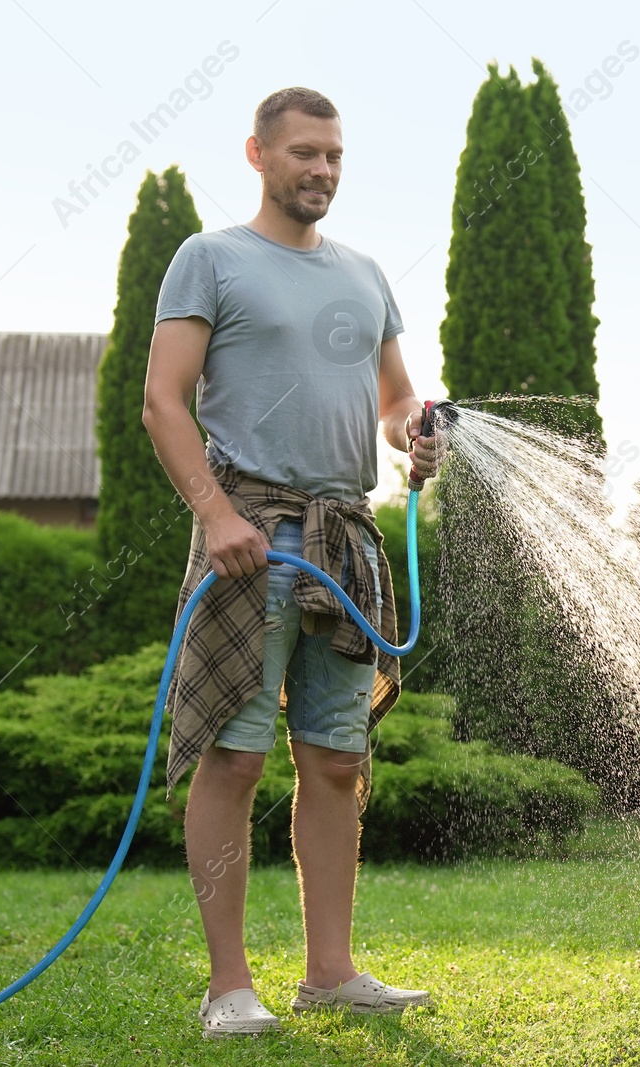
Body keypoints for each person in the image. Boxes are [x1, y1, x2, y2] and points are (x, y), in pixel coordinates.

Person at [141, 86, 447, 1037]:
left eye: (335, 156)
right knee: (232, 760)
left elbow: (395, 400)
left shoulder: (364, 275)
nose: (322, 169)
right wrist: (214, 513)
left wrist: (414, 435)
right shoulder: (211, 259)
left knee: (333, 760)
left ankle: (331, 971)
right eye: (304, 152)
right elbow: (162, 399)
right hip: (252, 538)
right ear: (259, 154)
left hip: (345, 541)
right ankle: (229, 985)